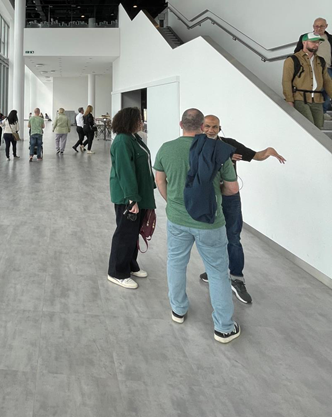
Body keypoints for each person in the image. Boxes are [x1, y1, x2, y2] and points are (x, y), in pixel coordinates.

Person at [153, 108, 241, 344]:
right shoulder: (216, 150)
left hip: (177, 219)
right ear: (203, 126)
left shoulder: (166, 149)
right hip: (210, 222)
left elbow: (159, 180)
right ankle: (224, 327)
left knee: (176, 263)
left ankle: (178, 310)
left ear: (180, 123)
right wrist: (216, 194)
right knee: (217, 272)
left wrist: (172, 202)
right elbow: (232, 188)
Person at [200, 114, 286, 304]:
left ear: (219, 128)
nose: (211, 130)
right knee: (211, 237)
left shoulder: (230, 144)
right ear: (201, 127)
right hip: (207, 198)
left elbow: (256, 155)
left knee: (233, 237)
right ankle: (214, 270)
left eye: (215, 127)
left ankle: (237, 279)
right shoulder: (196, 144)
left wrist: (268, 151)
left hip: (230, 198)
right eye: (207, 126)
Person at [107, 107, 156, 289]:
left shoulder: (134, 138)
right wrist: (131, 198)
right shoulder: (122, 141)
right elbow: (125, 172)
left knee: (134, 233)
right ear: (129, 121)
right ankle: (117, 272)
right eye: (138, 119)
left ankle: (130, 264)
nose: (141, 122)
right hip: (128, 197)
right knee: (125, 233)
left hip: (139, 194)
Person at [283, 32, 332, 129]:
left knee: (318, 128)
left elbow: (327, 81)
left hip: (317, 100)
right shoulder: (292, 60)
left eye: (318, 42)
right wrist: (289, 99)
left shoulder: (320, 61)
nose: (316, 44)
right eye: (313, 42)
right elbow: (286, 81)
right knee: (308, 126)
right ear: (304, 42)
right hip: (300, 99)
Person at [294, 19, 332, 116]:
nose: (318, 28)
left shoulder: (330, 38)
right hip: (311, 68)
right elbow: (297, 52)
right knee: (313, 90)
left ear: (326, 26)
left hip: (328, 69)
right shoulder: (305, 37)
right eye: (316, 26)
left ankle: (323, 112)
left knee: (327, 91)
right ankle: (310, 111)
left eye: (321, 26)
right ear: (313, 26)